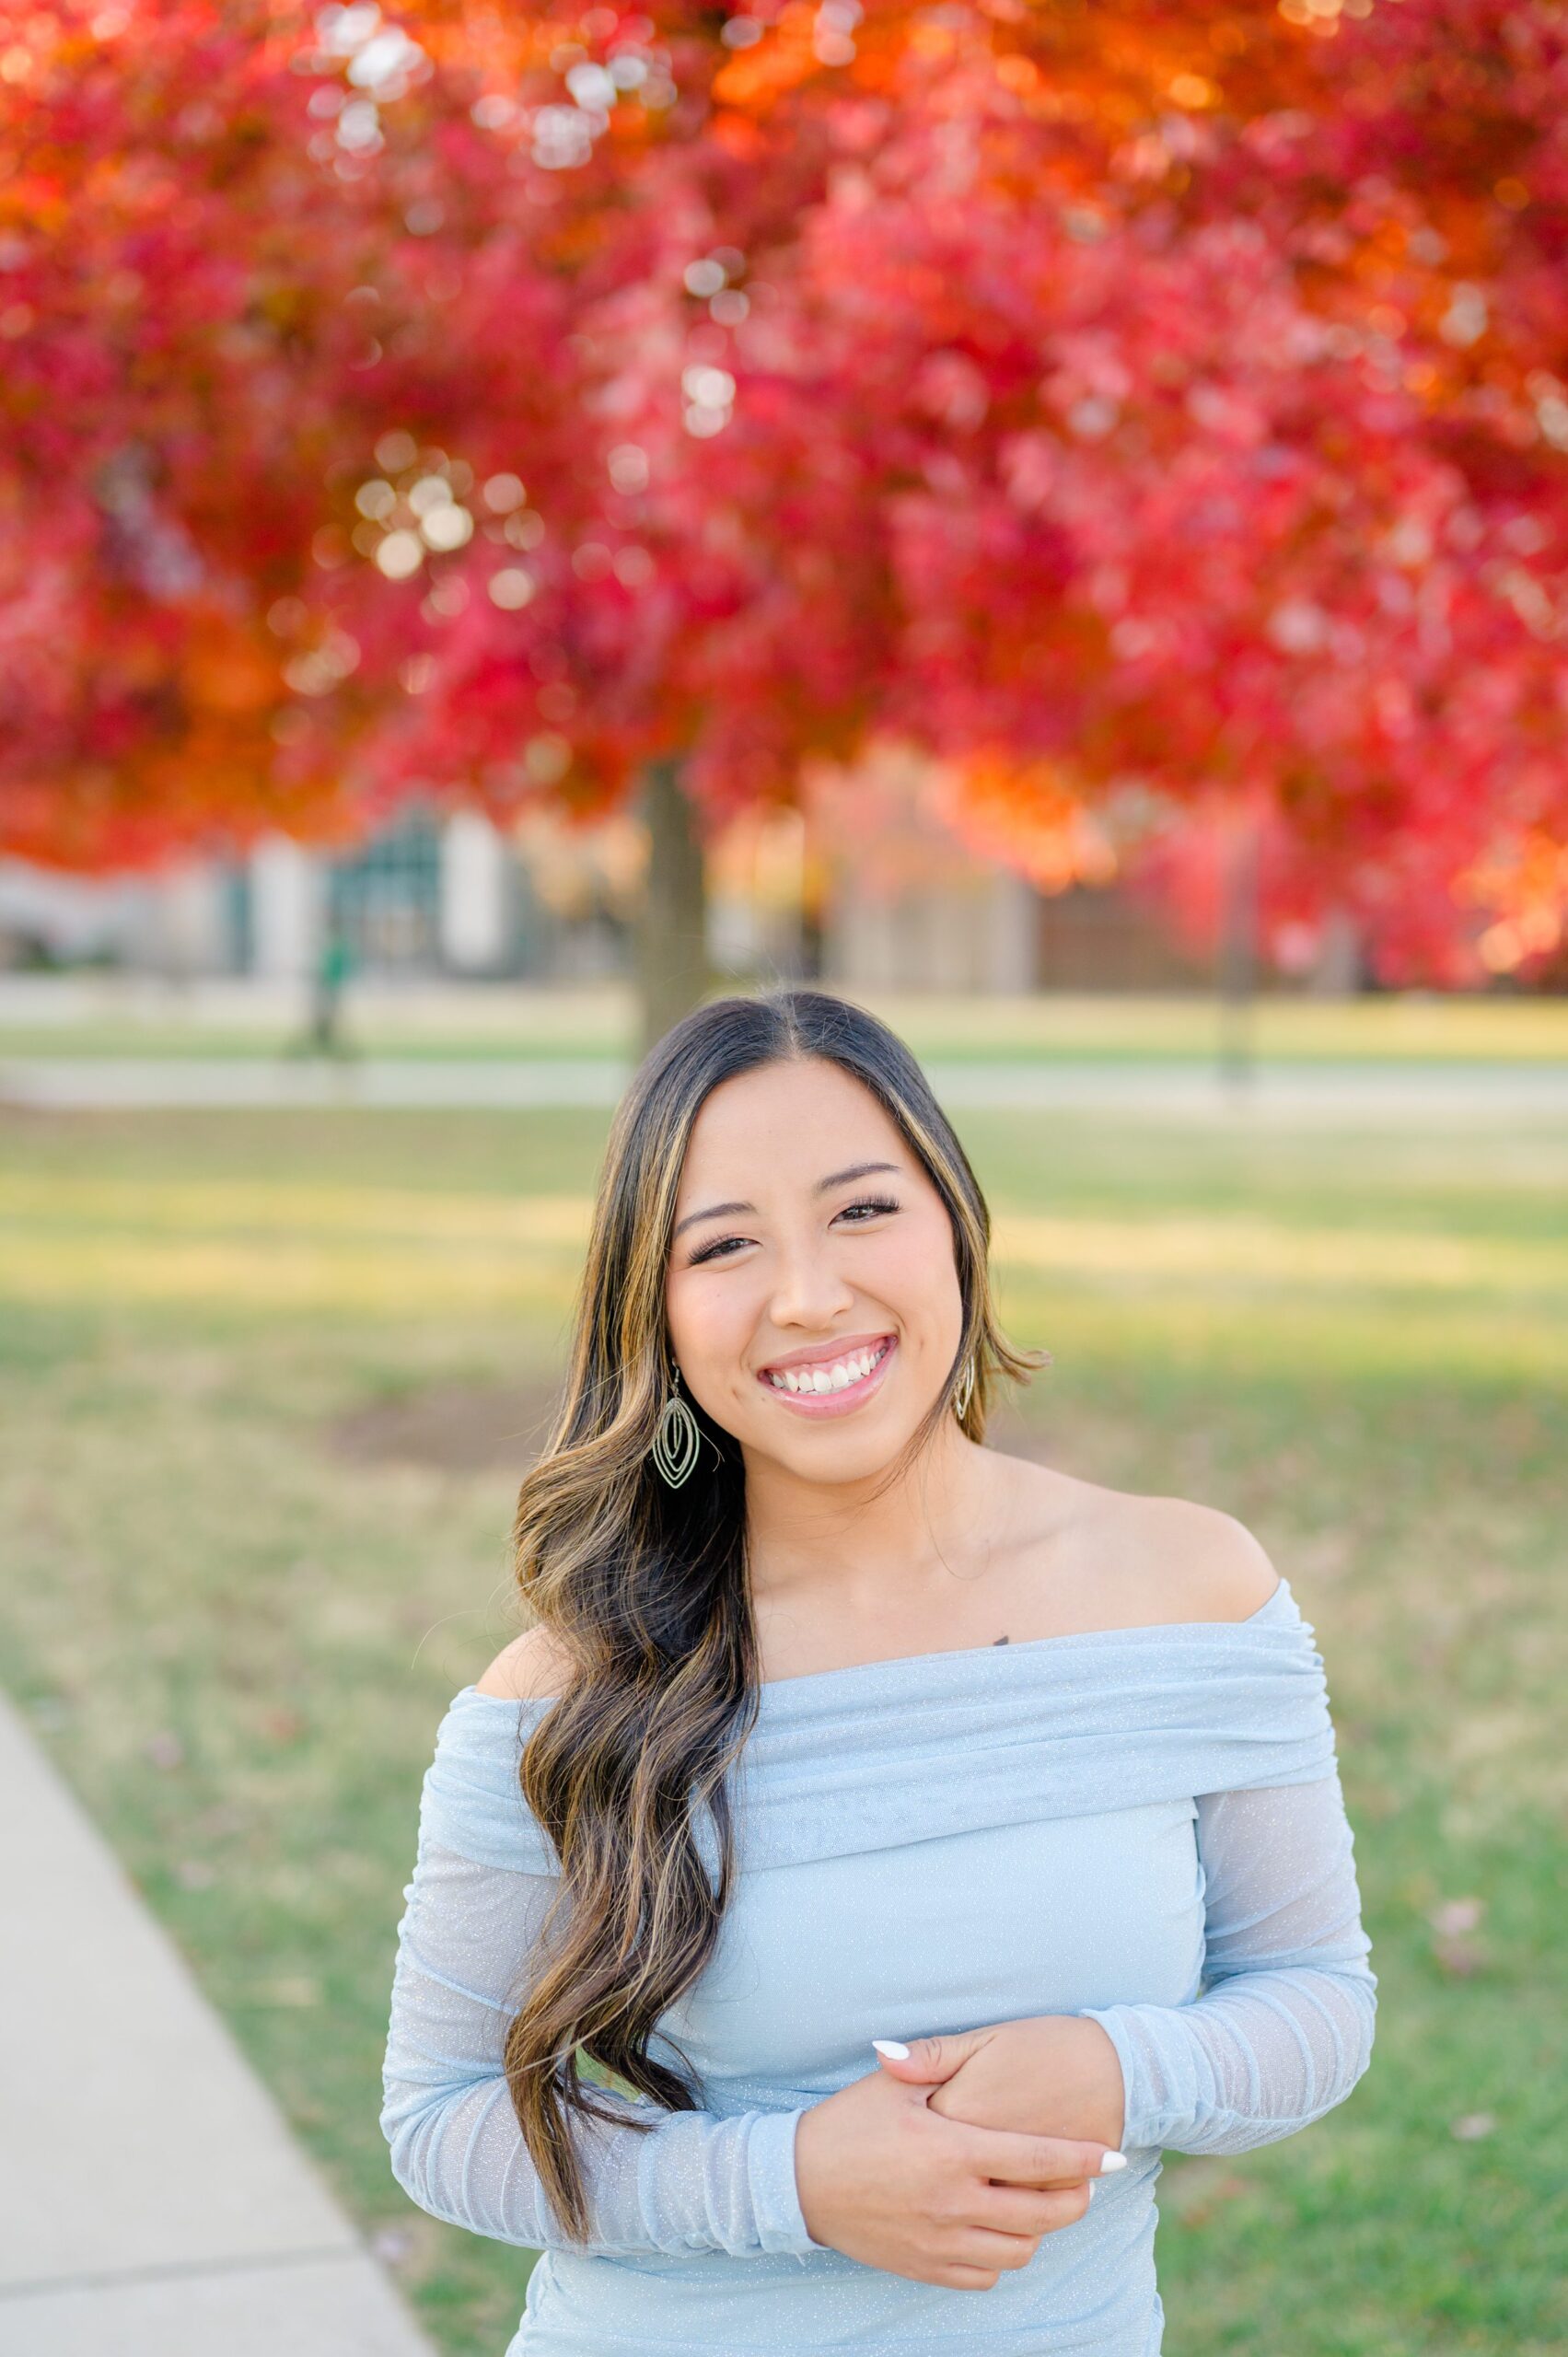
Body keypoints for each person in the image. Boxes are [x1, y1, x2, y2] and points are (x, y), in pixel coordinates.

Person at [380, 988, 1376, 2355]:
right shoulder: (568, 1687)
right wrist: (788, 2184)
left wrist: (1121, 2069)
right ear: (655, 1313)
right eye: (723, 1246)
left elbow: (1316, 1995)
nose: (807, 1295)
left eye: (862, 1211)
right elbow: (442, 2119)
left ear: (955, 1225)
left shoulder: (1192, 1592)